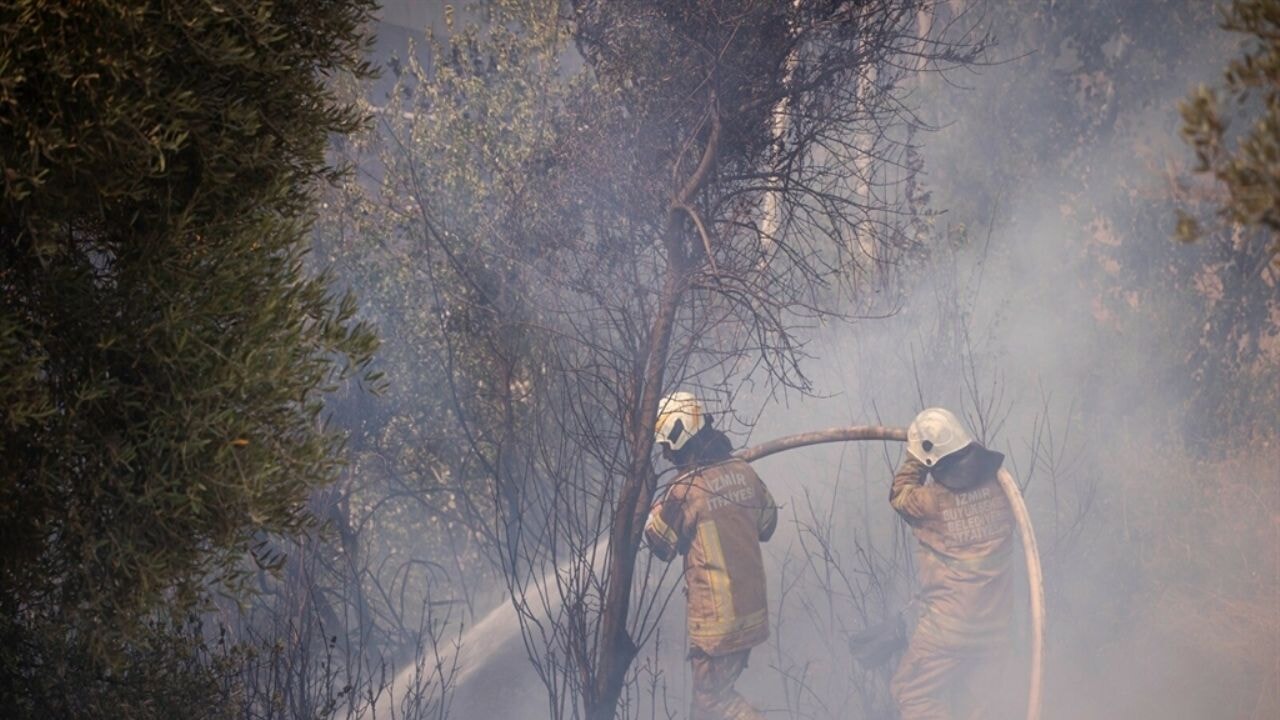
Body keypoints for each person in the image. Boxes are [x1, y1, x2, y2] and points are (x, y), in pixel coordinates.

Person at [643, 391, 778, 720]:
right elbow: (768, 525)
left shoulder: (683, 490)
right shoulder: (743, 472)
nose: (665, 454)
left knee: (711, 703)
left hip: (718, 625)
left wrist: (654, 511)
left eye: (666, 445)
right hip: (751, 612)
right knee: (706, 707)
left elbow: (660, 545)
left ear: (680, 434)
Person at [889, 407, 1017, 720]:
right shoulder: (1005, 493)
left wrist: (917, 458)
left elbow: (899, 493)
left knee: (913, 693)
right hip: (996, 629)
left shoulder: (929, 502)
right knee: (982, 710)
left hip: (946, 630)